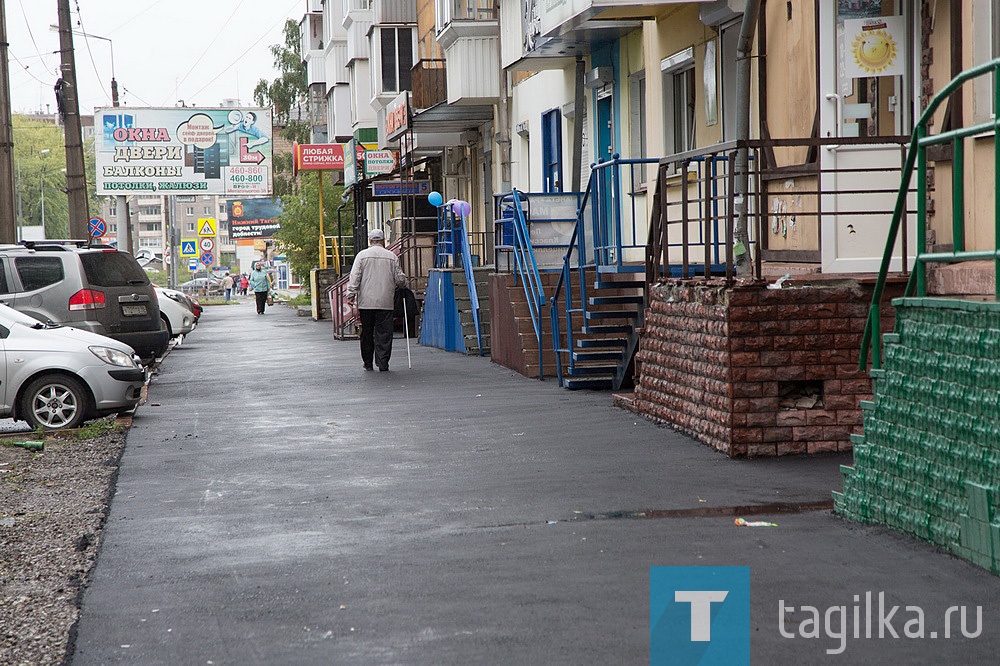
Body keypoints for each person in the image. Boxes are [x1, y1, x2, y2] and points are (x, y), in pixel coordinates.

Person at [346, 228, 407, 371]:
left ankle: (368, 362)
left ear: (370, 241)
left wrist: (351, 295)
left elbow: (355, 277)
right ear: (383, 241)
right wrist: (403, 283)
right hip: (386, 302)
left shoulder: (362, 256)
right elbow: (399, 279)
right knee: (384, 333)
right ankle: (383, 362)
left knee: (367, 332)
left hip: (366, 302)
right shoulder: (392, 257)